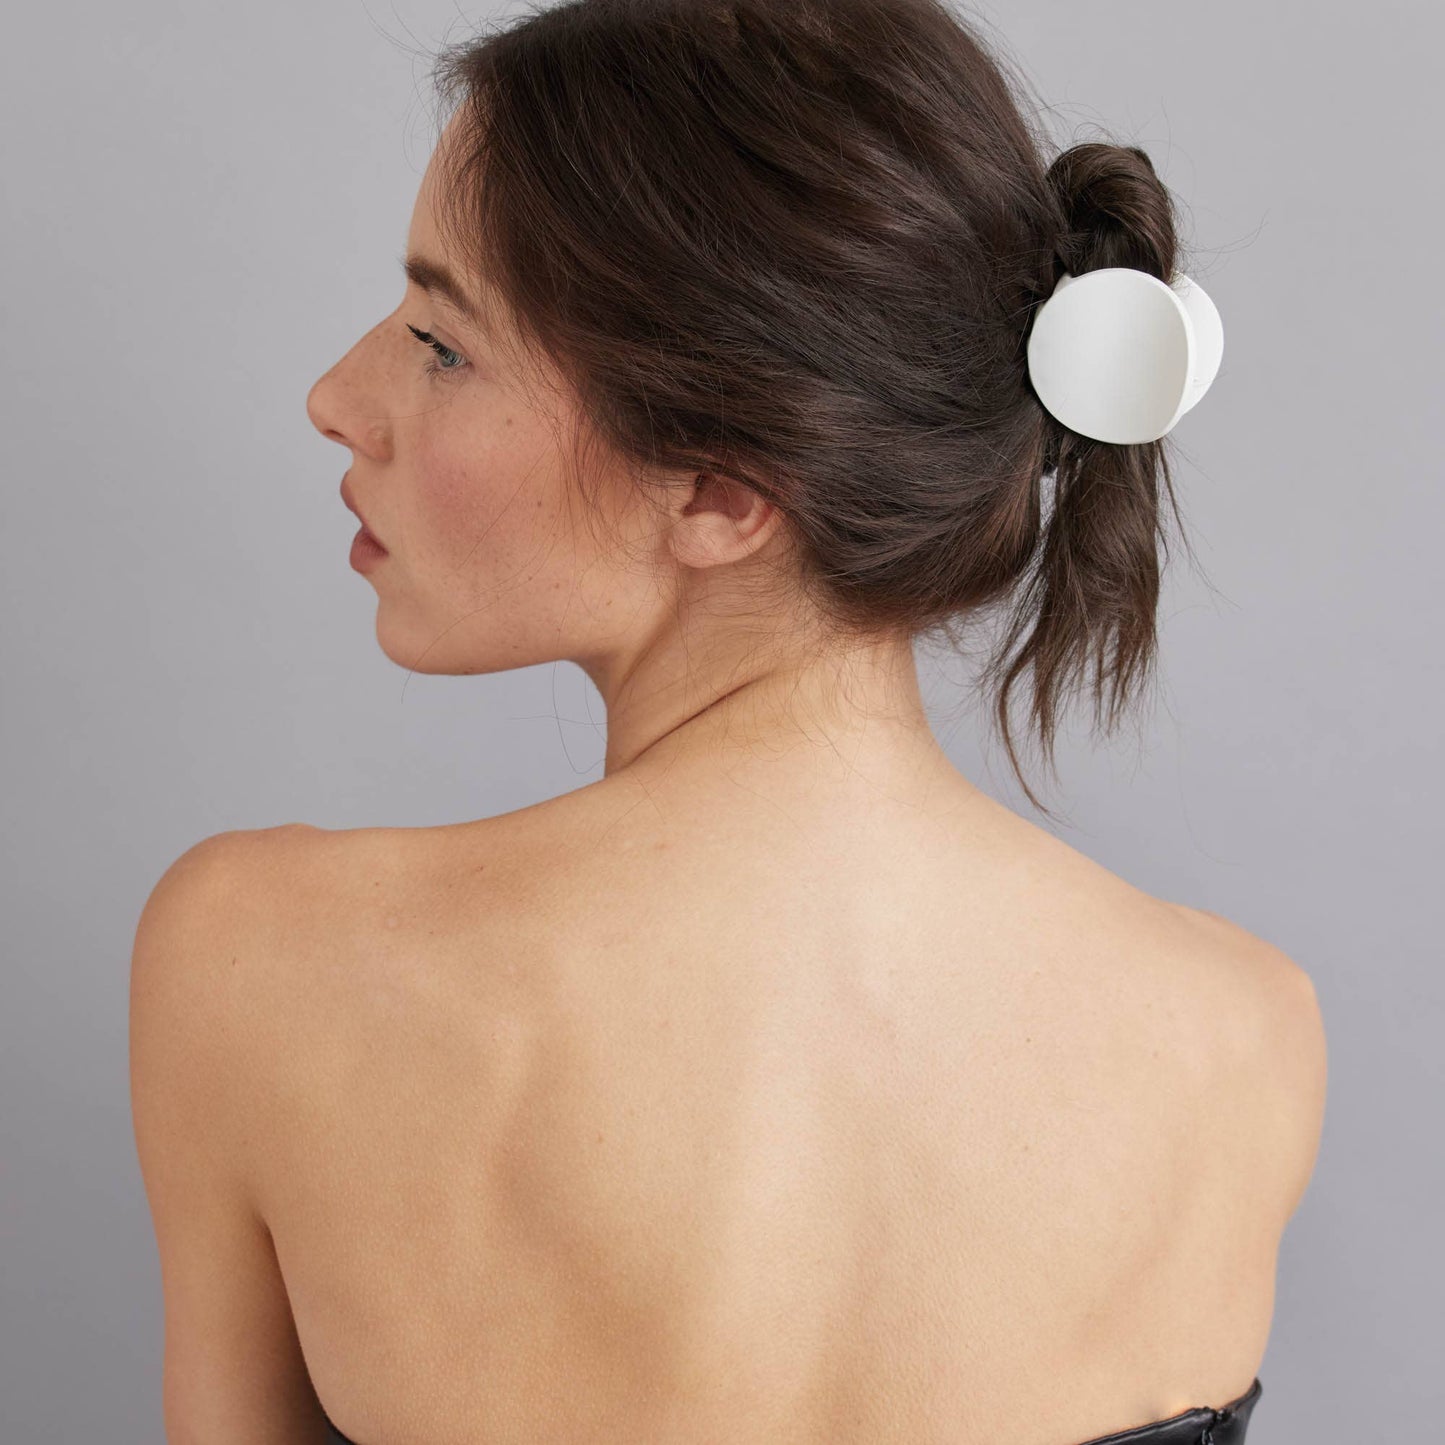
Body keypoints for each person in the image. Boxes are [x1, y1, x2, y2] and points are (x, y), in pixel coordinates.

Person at [130, 1, 1326, 1441]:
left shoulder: (260, 964)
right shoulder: (1247, 1035)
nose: (339, 396)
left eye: (441, 343)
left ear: (721, 487)